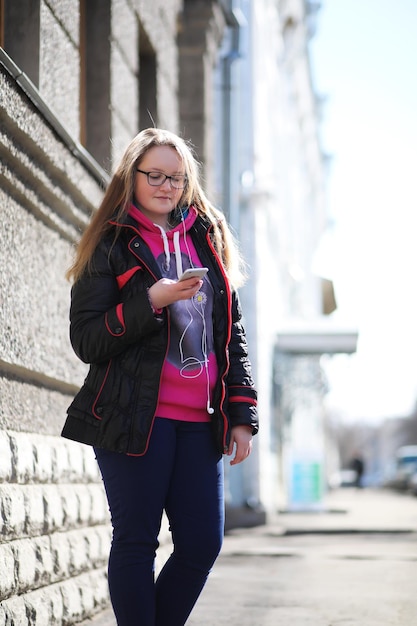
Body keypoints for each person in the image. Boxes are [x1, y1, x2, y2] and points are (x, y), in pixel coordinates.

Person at [61, 127, 258, 626]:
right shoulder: (111, 243)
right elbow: (87, 339)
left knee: (201, 544)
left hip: (201, 420)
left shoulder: (206, 237)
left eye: (177, 177)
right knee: (136, 539)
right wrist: (152, 301)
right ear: (133, 177)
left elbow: (230, 332)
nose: (167, 185)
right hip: (133, 418)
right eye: (156, 175)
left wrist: (242, 413)